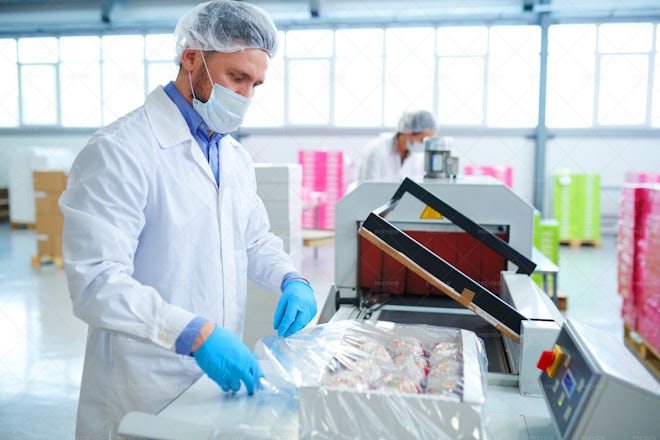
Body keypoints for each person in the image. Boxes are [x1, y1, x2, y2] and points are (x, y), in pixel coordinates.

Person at [58, 1, 317, 438]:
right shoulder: (121, 151)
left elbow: (253, 240)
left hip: (210, 385)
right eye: (236, 78)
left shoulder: (232, 155)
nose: (245, 97)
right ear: (192, 57)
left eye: (255, 84)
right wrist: (193, 334)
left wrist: (292, 278)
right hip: (140, 383)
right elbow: (95, 282)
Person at [358, 110, 438, 182]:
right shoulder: (376, 150)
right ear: (408, 132)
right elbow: (368, 189)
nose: (425, 145)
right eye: (423, 140)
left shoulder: (416, 157)